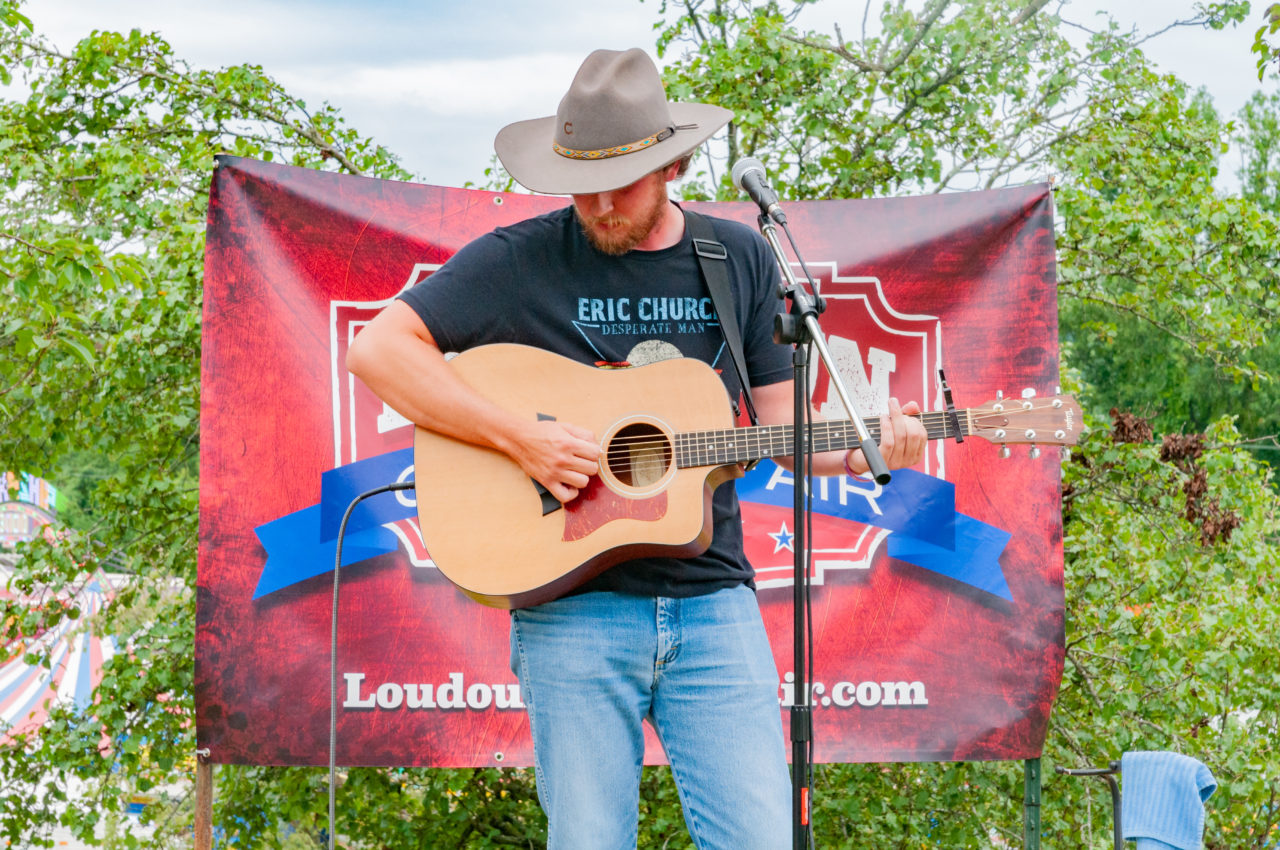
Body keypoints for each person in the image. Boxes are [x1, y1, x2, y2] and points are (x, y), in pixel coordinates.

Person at [346, 47, 927, 850]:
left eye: (619, 183)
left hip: (713, 600)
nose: (597, 204)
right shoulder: (522, 258)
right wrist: (521, 439)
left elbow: (783, 430)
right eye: (580, 183)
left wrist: (863, 449)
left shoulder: (737, 257)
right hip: (571, 611)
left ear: (672, 166)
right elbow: (378, 349)